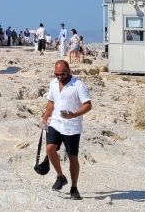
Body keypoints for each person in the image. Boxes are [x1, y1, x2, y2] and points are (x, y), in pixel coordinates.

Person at [40, 59, 93, 201]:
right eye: (56, 74)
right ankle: (60, 176)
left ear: (68, 71)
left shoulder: (78, 85)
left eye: (62, 74)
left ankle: (74, 188)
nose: (59, 77)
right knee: (50, 149)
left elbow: (88, 105)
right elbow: (51, 101)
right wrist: (45, 117)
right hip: (56, 123)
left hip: (72, 127)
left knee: (72, 158)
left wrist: (74, 114)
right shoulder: (53, 83)